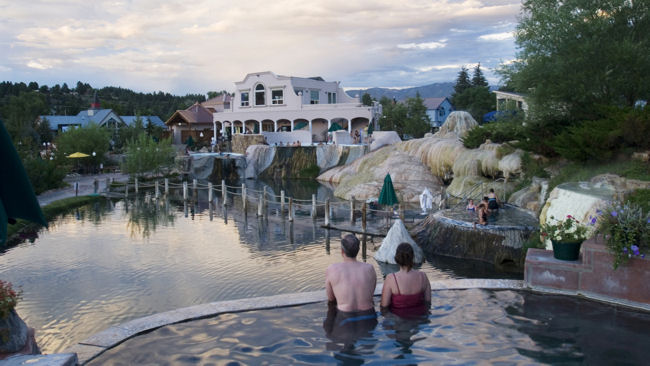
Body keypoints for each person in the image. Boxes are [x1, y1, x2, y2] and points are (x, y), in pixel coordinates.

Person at [325, 234, 377, 312]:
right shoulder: (370, 269)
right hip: (369, 316)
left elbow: (331, 299)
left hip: (345, 317)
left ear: (342, 251)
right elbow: (370, 294)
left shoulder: (332, 269)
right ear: (358, 250)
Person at [380, 243, 431, 318]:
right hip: (418, 320)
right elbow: (428, 303)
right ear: (412, 257)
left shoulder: (391, 278)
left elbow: (384, 307)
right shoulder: (423, 276)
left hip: (398, 321)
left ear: (396, 258)